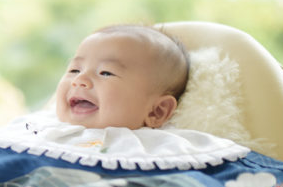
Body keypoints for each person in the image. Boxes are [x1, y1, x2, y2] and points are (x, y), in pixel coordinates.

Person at [55, 24, 189, 130]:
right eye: (75, 70)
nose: (79, 80)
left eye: (106, 73)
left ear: (156, 112)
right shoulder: (43, 126)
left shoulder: (155, 150)